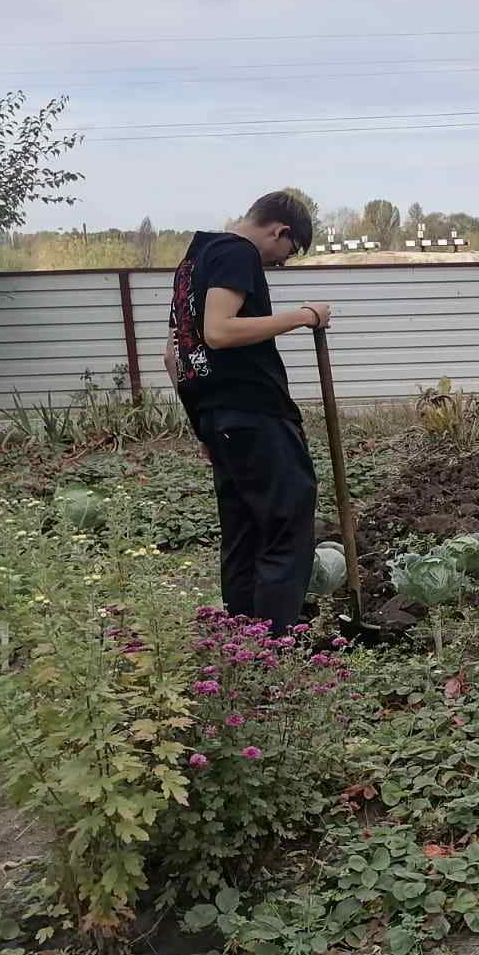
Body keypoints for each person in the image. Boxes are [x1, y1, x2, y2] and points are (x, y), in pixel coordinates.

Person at [164, 191, 329, 635]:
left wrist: (201, 423)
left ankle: (242, 639)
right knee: (285, 523)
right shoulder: (236, 253)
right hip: (255, 412)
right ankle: (273, 645)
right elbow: (218, 332)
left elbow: (173, 354)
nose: (279, 263)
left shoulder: (192, 262)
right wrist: (302, 316)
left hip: (218, 417)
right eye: (286, 254)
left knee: (243, 532)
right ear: (281, 231)